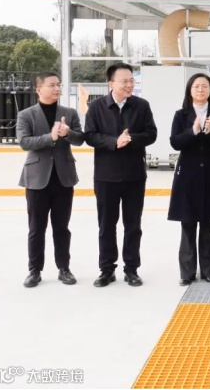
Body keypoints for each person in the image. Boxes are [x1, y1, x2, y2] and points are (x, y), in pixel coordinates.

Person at [84, 62, 157, 288]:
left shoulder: (141, 106)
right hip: (106, 175)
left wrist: (131, 139)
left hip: (134, 175)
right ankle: (106, 269)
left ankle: (131, 269)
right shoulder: (96, 107)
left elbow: (151, 133)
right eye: (124, 81)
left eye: (131, 81)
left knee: (133, 225)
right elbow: (90, 136)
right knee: (106, 225)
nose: (129, 85)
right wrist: (114, 142)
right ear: (111, 84)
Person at [17, 72, 84, 288]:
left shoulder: (69, 113)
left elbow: (80, 139)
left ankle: (64, 268)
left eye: (59, 85)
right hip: (37, 179)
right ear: (39, 89)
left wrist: (66, 133)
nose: (57, 89)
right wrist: (51, 137)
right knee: (36, 228)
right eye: (52, 85)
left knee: (62, 227)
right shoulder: (26, 115)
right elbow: (24, 142)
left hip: (63, 178)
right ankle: (34, 270)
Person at [167, 73, 210, 286]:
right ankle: (187, 273)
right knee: (187, 225)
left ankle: (209, 271)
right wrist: (193, 131)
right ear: (190, 90)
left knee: (208, 225)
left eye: (205, 86)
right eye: (196, 86)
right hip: (188, 175)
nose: (200, 89)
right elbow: (175, 142)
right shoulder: (181, 115)